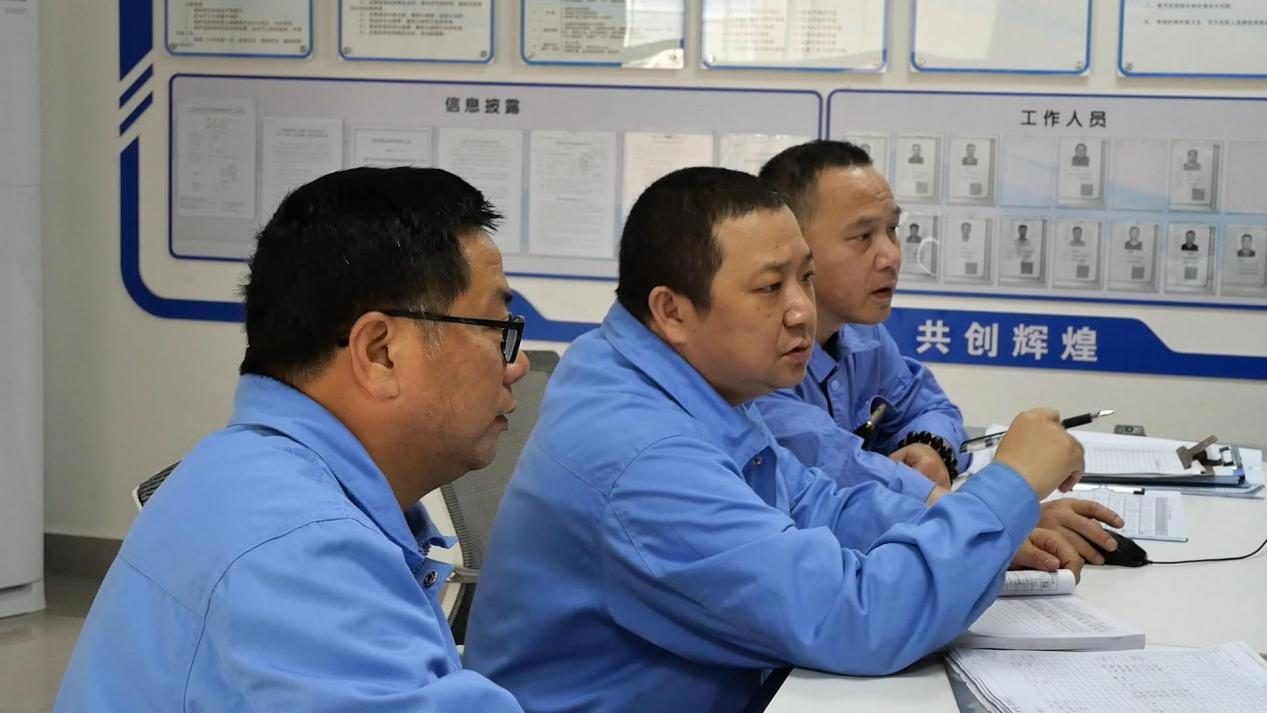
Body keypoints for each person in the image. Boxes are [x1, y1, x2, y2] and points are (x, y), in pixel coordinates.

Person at [464, 166, 1086, 712]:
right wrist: (1008, 488)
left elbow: (819, 503)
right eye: (770, 288)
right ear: (672, 311)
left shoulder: (673, 374)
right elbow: (860, 619)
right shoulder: (644, 457)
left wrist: (972, 527)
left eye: (806, 278)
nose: (802, 311)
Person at [55, 168, 529, 712]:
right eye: (497, 331)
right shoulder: (303, 546)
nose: (516, 366)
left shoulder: (253, 473)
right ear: (380, 352)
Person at [754, 140, 1122, 566]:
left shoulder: (862, 334)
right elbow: (836, 470)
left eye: (893, 230)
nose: (891, 256)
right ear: (793, 249)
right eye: (862, 237)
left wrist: (931, 449)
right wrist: (1001, 515)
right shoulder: (752, 365)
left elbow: (928, 405)